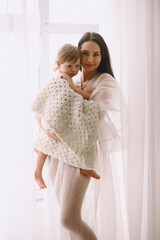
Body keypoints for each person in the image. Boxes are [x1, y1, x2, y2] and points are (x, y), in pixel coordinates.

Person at [40, 33, 127, 240]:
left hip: (82, 154)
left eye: (96, 54)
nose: (89, 60)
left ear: (103, 56)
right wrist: (47, 129)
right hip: (60, 153)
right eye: (85, 54)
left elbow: (90, 115)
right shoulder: (72, 77)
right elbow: (45, 109)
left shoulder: (105, 81)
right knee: (68, 219)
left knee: (68, 219)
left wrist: (69, 91)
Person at [32, 43, 100, 189]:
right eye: (70, 66)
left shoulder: (65, 77)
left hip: (58, 120)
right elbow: (74, 94)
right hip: (53, 119)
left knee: (49, 143)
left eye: (77, 66)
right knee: (48, 142)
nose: (74, 70)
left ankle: (83, 165)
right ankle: (38, 172)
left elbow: (71, 99)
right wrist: (87, 95)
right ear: (59, 64)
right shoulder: (61, 79)